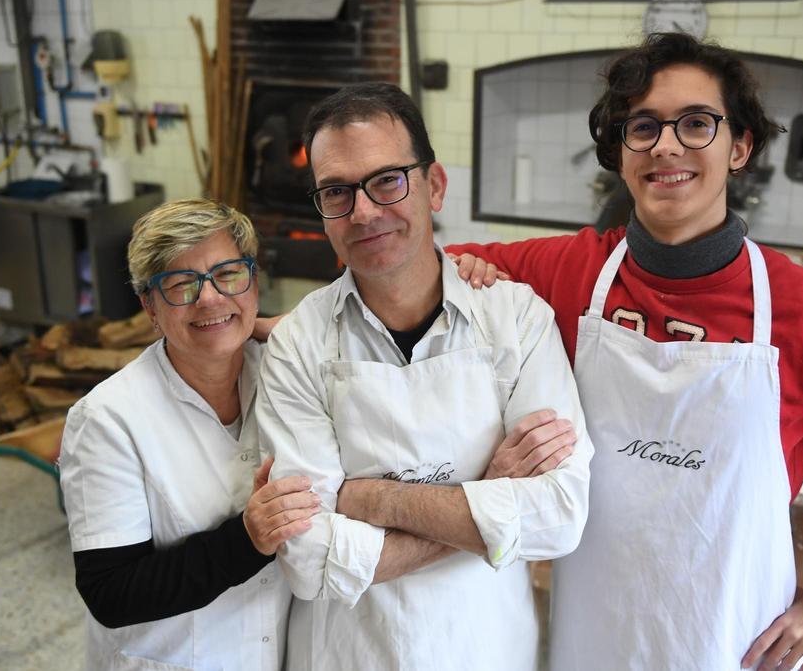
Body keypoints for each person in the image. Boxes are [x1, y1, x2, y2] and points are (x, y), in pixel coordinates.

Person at [450, 33, 803, 671]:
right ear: (620, 151)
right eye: (643, 126)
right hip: (593, 628)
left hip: (734, 639)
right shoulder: (568, 273)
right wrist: (462, 270)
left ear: (740, 147)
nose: (666, 144)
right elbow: (413, 277)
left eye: (696, 123)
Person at [256, 82, 592, 671]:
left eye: (387, 180)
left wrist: (370, 498)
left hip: (483, 646)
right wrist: (488, 489)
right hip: (347, 653)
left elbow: (559, 516)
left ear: (433, 186)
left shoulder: (516, 319)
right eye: (337, 192)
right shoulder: (298, 343)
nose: (363, 212)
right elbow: (310, 562)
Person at [58, 199, 320, 670]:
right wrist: (247, 539)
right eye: (181, 284)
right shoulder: (107, 419)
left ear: (253, 282)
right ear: (149, 307)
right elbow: (111, 593)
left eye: (228, 274)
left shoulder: (286, 375)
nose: (211, 298)